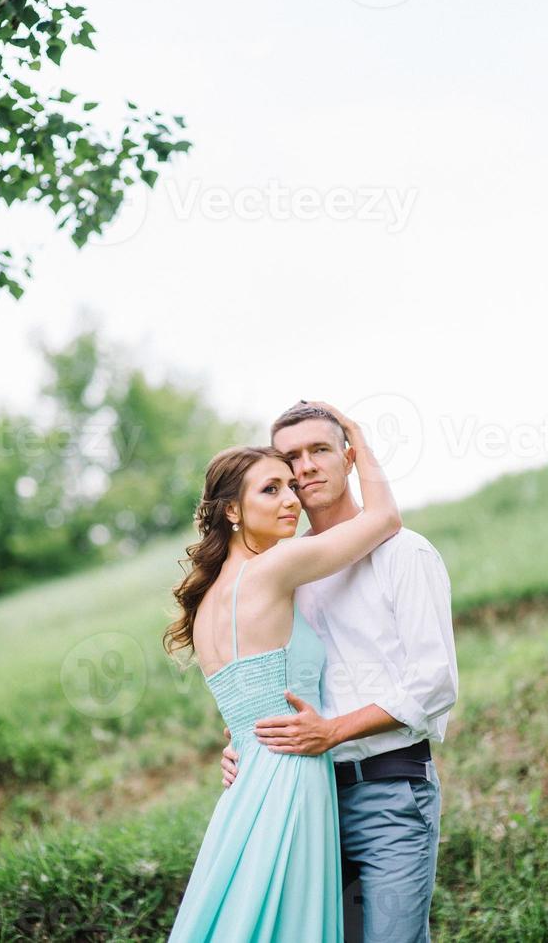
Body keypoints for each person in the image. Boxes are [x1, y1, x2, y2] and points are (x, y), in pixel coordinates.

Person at [163, 401, 402, 942]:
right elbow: (385, 519)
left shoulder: (202, 606)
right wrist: (356, 441)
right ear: (231, 511)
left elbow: (246, 706)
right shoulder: (274, 567)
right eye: (270, 489)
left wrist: (236, 743)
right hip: (293, 775)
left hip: (245, 779)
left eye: (290, 487)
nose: (291, 499)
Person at [220, 401, 459, 943]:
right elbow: (274, 677)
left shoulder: (406, 554)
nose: (304, 467)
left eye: (320, 450)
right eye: (290, 458)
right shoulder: (289, 569)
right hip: (309, 802)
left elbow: (435, 682)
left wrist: (331, 732)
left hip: (390, 791)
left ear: (349, 457)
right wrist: (242, 744)